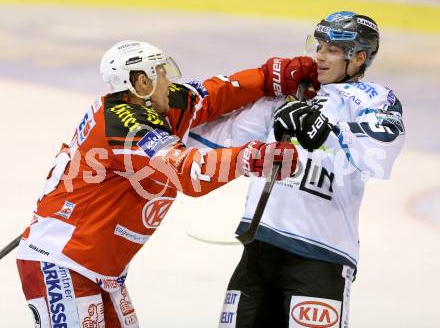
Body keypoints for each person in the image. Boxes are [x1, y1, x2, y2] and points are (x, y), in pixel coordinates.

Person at [15, 40, 315, 327]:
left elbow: (211, 94)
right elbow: (188, 173)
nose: (169, 81)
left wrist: (267, 78)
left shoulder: (150, 105)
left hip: (100, 268)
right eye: (161, 72)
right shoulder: (127, 127)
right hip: (63, 263)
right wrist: (250, 158)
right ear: (141, 81)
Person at [187, 11, 405, 327]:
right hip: (259, 250)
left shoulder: (372, 97)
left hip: (321, 256)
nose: (319, 56)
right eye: (319, 46)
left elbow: (381, 149)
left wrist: (326, 129)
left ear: (358, 58)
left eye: (332, 50)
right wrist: (260, 81)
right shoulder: (290, 91)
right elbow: (218, 137)